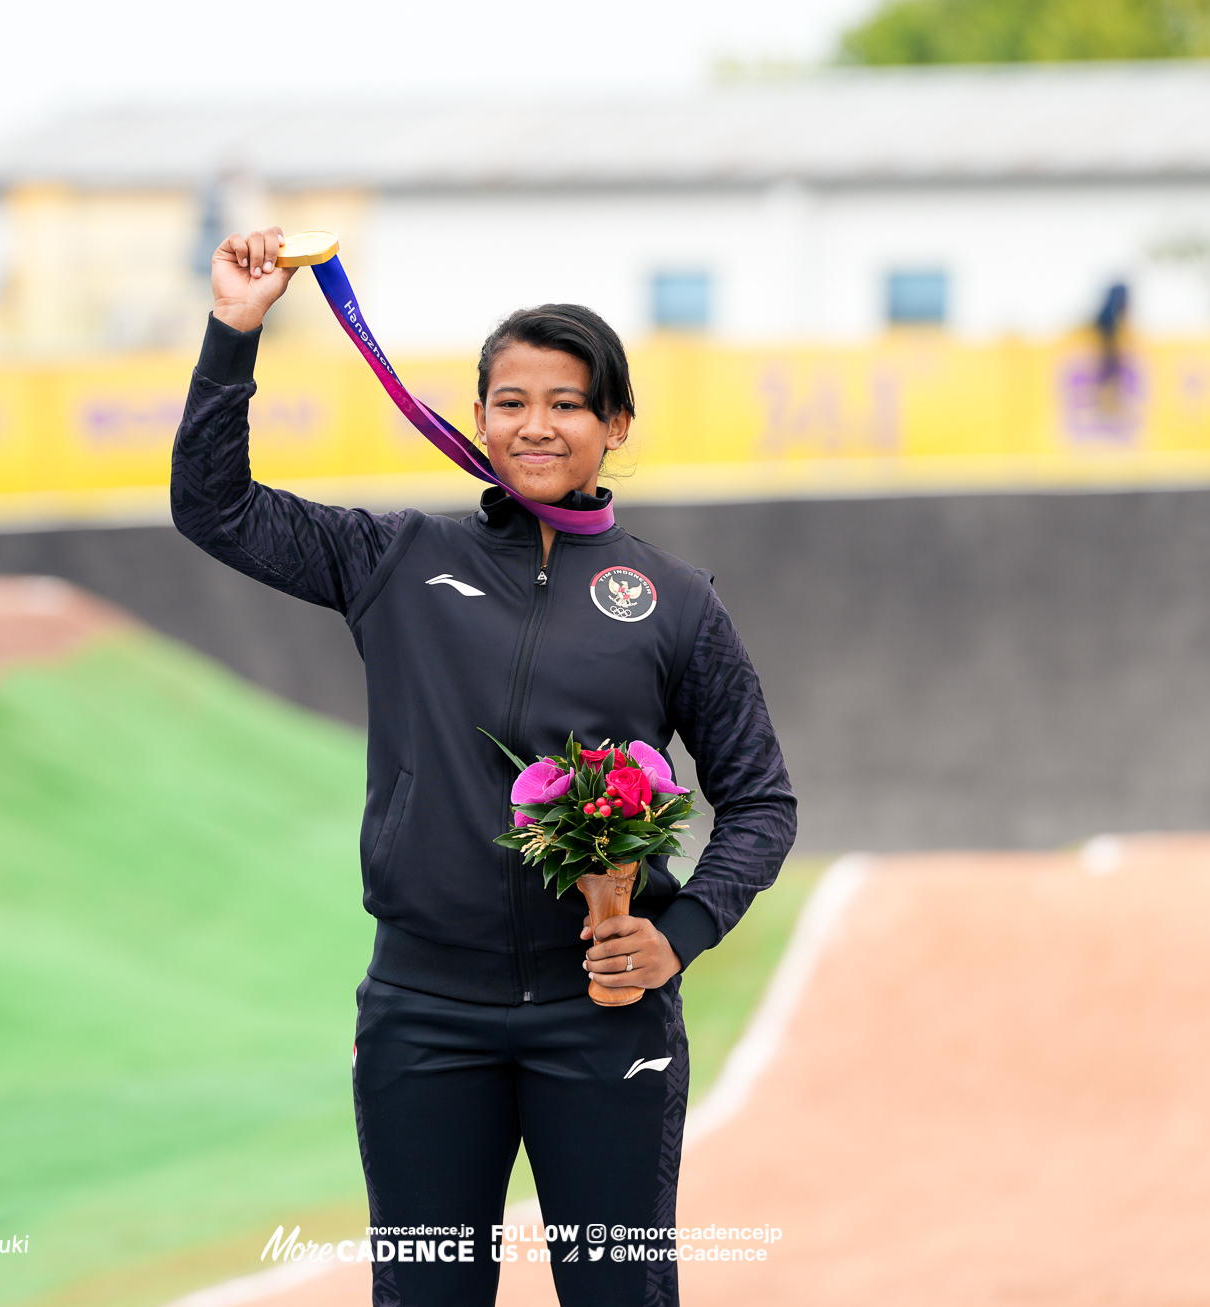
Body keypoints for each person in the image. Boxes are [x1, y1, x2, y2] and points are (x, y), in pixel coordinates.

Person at [172, 226, 796, 1306]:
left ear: (616, 424)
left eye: (565, 402)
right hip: (424, 1013)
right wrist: (235, 328)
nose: (536, 424)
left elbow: (759, 800)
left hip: (603, 1018)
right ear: (478, 420)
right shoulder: (395, 559)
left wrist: (677, 935)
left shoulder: (674, 601)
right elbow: (212, 507)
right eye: (510, 401)